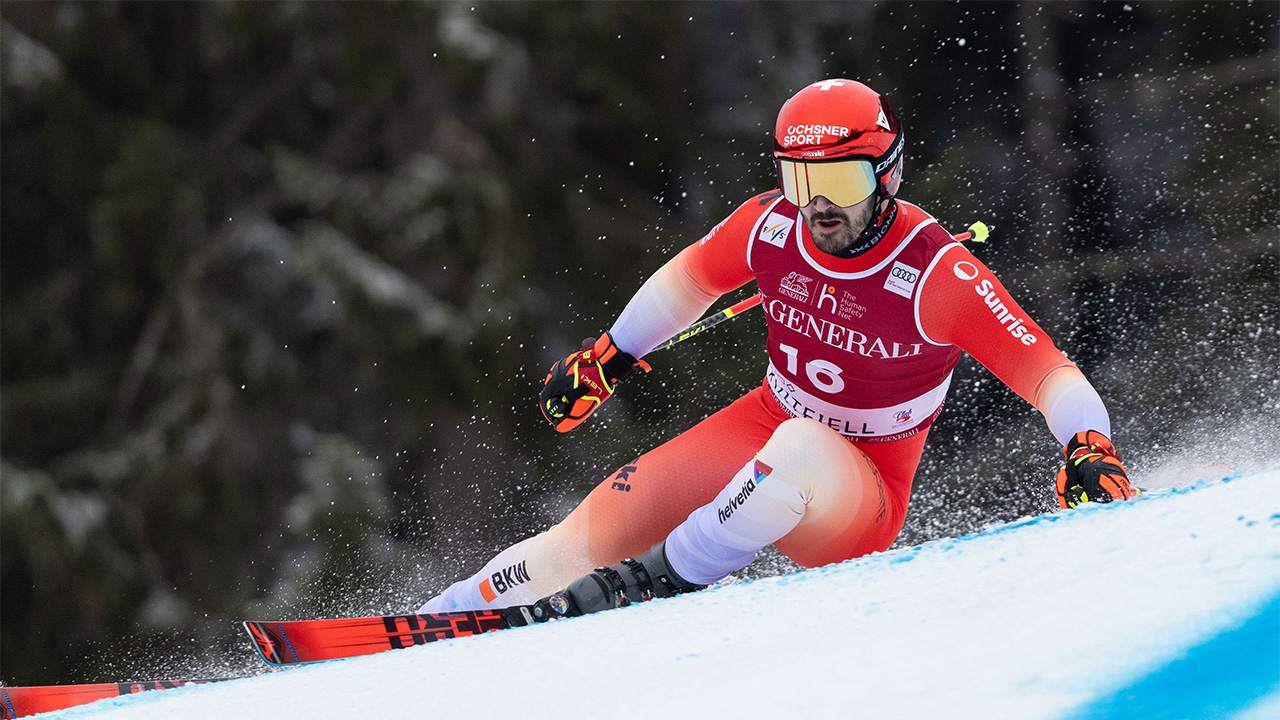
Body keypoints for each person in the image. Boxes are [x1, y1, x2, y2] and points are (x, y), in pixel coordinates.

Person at [418, 79, 1133, 618]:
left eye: (840, 179)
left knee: (796, 448)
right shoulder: (770, 226)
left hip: (860, 493)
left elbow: (1048, 372)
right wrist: (610, 355)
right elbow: (688, 281)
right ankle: (444, 617)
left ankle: (662, 579)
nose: (816, 203)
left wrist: (1088, 445)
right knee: (585, 534)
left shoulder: (937, 274)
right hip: (761, 424)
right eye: (799, 178)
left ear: (888, 174)